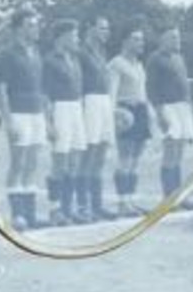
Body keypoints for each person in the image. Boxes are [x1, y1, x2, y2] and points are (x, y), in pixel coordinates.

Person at [0, 8, 46, 230]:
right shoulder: (7, 53)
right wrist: (8, 119)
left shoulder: (35, 51)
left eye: (35, 25)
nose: (35, 29)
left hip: (36, 112)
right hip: (18, 112)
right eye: (29, 25)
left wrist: (45, 114)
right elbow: (1, 88)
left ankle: (30, 212)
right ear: (17, 29)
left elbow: (40, 87)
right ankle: (18, 215)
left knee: (33, 162)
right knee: (18, 162)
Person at [145, 26, 193, 210]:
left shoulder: (179, 58)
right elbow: (151, 89)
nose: (177, 41)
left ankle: (179, 196)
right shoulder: (155, 59)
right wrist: (159, 113)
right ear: (163, 39)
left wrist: (189, 109)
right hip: (167, 107)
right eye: (173, 38)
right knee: (170, 153)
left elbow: (185, 85)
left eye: (178, 37)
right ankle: (168, 198)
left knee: (179, 154)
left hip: (182, 107)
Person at [42, 19, 88, 225]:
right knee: (59, 162)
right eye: (74, 35)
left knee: (74, 161)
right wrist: (49, 122)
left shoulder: (75, 59)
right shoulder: (49, 60)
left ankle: (68, 210)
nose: (77, 39)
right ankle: (55, 210)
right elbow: (44, 94)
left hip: (76, 108)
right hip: (59, 108)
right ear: (63, 37)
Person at [77, 16, 118, 221]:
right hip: (89, 100)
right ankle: (83, 206)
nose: (106, 32)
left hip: (103, 101)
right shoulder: (81, 52)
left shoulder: (102, 52)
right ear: (90, 28)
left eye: (107, 28)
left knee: (101, 152)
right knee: (89, 153)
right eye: (102, 28)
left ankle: (96, 204)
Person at [108, 27, 151, 216]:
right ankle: (122, 202)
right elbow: (111, 94)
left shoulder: (139, 65)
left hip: (140, 111)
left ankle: (131, 200)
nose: (140, 43)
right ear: (125, 41)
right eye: (136, 39)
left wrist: (149, 113)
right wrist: (117, 113)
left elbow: (143, 92)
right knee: (125, 158)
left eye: (141, 39)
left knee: (136, 158)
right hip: (126, 112)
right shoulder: (116, 64)